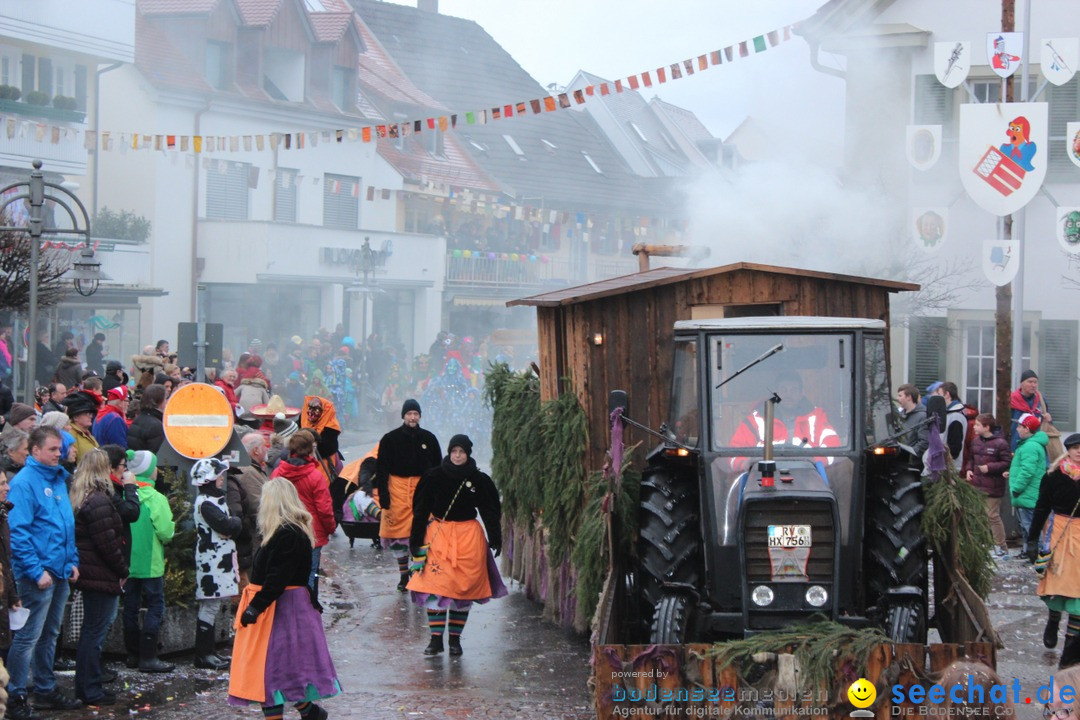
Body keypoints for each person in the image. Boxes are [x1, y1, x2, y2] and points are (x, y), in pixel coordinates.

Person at [227, 478, 340, 720]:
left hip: (281, 609)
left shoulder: (287, 533)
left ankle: (309, 712)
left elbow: (277, 578)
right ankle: (310, 712)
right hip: (282, 607)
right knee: (282, 671)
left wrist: (255, 608)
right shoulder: (286, 531)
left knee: (268, 674)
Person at [5, 427, 83, 718]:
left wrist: (71, 560)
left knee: (50, 634)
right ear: (35, 450)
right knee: (28, 636)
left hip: (59, 570)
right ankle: (15, 695)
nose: (58, 454)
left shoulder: (58, 478)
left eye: (59, 449)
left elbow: (65, 524)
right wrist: (36, 571)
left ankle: (45, 688)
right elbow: (19, 532)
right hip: (38, 574)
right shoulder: (25, 483)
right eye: (52, 449)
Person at [407, 434, 504, 656]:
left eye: (461, 452)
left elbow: (490, 510)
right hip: (439, 536)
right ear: (449, 452)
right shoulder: (433, 477)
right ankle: (435, 640)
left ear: (468, 453)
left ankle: (455, 640)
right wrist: (415, 540)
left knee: (462, 590)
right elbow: (420, 510)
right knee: (435, 587)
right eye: (454, 451)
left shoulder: (479, 480)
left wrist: (495, 537)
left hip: (468, 538)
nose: (457, 455)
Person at [70, 449, 128, 706]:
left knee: (91, 632)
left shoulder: (82, 497)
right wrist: (122, 571)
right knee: (94, 632)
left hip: (92, 571)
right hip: (101, 574)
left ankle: (87, 685)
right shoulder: (99, 501)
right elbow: (107, 544)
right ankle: (89, 688)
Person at [375, 399, 442, 591]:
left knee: (423, 533)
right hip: (397, 490)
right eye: (409, 414)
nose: (412, 417)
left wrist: (438, 495)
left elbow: (438, 467)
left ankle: (418, 571)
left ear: (420, 416)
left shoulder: (429, 439)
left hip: (423, 491)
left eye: (416, 414)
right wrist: (384, 496)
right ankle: (404, 575)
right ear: (403, 416)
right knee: (398, 536)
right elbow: (381, 470)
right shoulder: (390, 439)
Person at [1029, 434, 1080, 668]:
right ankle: (1053, 617)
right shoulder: (1053, 475)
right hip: (1058, 530)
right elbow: (1041, 506)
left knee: (1078, 590)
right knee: (1058, 583)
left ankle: (1069, 654)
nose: (1079, 451)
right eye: (1075, 447)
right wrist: (1031, 539)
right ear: (1067, 450)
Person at [122, 450, 174, 674]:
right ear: (148, 471)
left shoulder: (124, 496)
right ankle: (149, 656)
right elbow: (166, 531)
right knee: (155, 606)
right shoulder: (156, 498)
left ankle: (132, 654)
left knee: (130, 608)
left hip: (126, 564)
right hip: (151, 563)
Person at [270, 433, 335, 605]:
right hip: (312, 534)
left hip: (282, 530)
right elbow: (324, 509)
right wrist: (330, 528)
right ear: (310, 450)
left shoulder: (277, 474)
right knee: (310, 574)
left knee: (284, 573)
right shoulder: (315, 476)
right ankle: (308, 612)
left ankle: (285, 612)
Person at [728, 372, 840, 472]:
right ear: (776, 394)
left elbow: (833, 447)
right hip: (764, 477)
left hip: (808, 476)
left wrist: (815, 461)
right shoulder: (755, 420)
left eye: (794, 390)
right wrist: (744, 463)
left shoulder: (817, 417)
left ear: (801, 394)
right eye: (783, 390)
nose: (788, 395)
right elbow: (735, 453)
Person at [190, 457, 240, 670]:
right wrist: (235, 522)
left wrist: (233, 523)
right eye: (219, 475)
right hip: (212, 562)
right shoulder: (206, 504)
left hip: (219, 559)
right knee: (209, 605)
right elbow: (228, 525)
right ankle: (203, 654)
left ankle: (209, 652)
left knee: (213, 604)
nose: (222, 479)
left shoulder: (212, 501)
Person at [965, 413, 1012, 559]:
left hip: (993, 486)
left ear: (986, 427)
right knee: (977, 515)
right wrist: (968, 470)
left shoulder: (1000, 443)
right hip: (976, 485)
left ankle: (1001, 546)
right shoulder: (976, 441)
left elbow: (1006, 462)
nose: (975, 427)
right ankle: (980, 544)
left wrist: (990, 467)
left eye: (978, 425)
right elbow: (971, 458)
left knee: (992, 515)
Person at [1009, 412, 1049, 558]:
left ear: (1026, 428)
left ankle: (1035, 553)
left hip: (1027, 493)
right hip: (1027, 493)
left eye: (1019, 426)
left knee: (1030, 526)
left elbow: (1028, 470)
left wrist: (1017, 488)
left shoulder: (1030, 446)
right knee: (1026, 526)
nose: (1017, 429)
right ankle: (1027, 551)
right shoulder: (1029, 445)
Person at [0, 468, 20, 661]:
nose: (7, 488)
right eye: (2, 484)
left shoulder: (3, 513)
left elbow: (6, 563)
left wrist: (13, 595)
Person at [1010, 369, 1051, 451]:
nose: (1033, 385)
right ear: (1022, 383)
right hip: (1015, 443)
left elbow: (1047, 420)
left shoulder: (1040, 400)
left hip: (1035, 444)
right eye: (1030, 382)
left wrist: (1048, 419)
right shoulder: (1011, 400)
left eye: (1035, 382)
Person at [931, 381, 967, 466]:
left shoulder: (956, 417)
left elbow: (954, 447)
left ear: (947, 394)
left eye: (939, 394)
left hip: (949, 468)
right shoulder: (948, 414)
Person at [127, 384, 166, 453]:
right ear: (159, 401)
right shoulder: (156, 426)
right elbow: (157, 454)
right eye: (165, 399)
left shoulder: (138, 419)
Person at [64, 392, 100, 463]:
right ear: (75, 417)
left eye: (91, 413)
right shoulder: (71, 435)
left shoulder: (86, 433)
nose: (91, 416)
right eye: (87, 413)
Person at [896, 383, 929, 459]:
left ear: (909, 397)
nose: (897, 398)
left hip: (912, 463)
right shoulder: (899, 416)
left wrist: (910, 455)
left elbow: (924, 442)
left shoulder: (923, 416)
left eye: (900, 396)